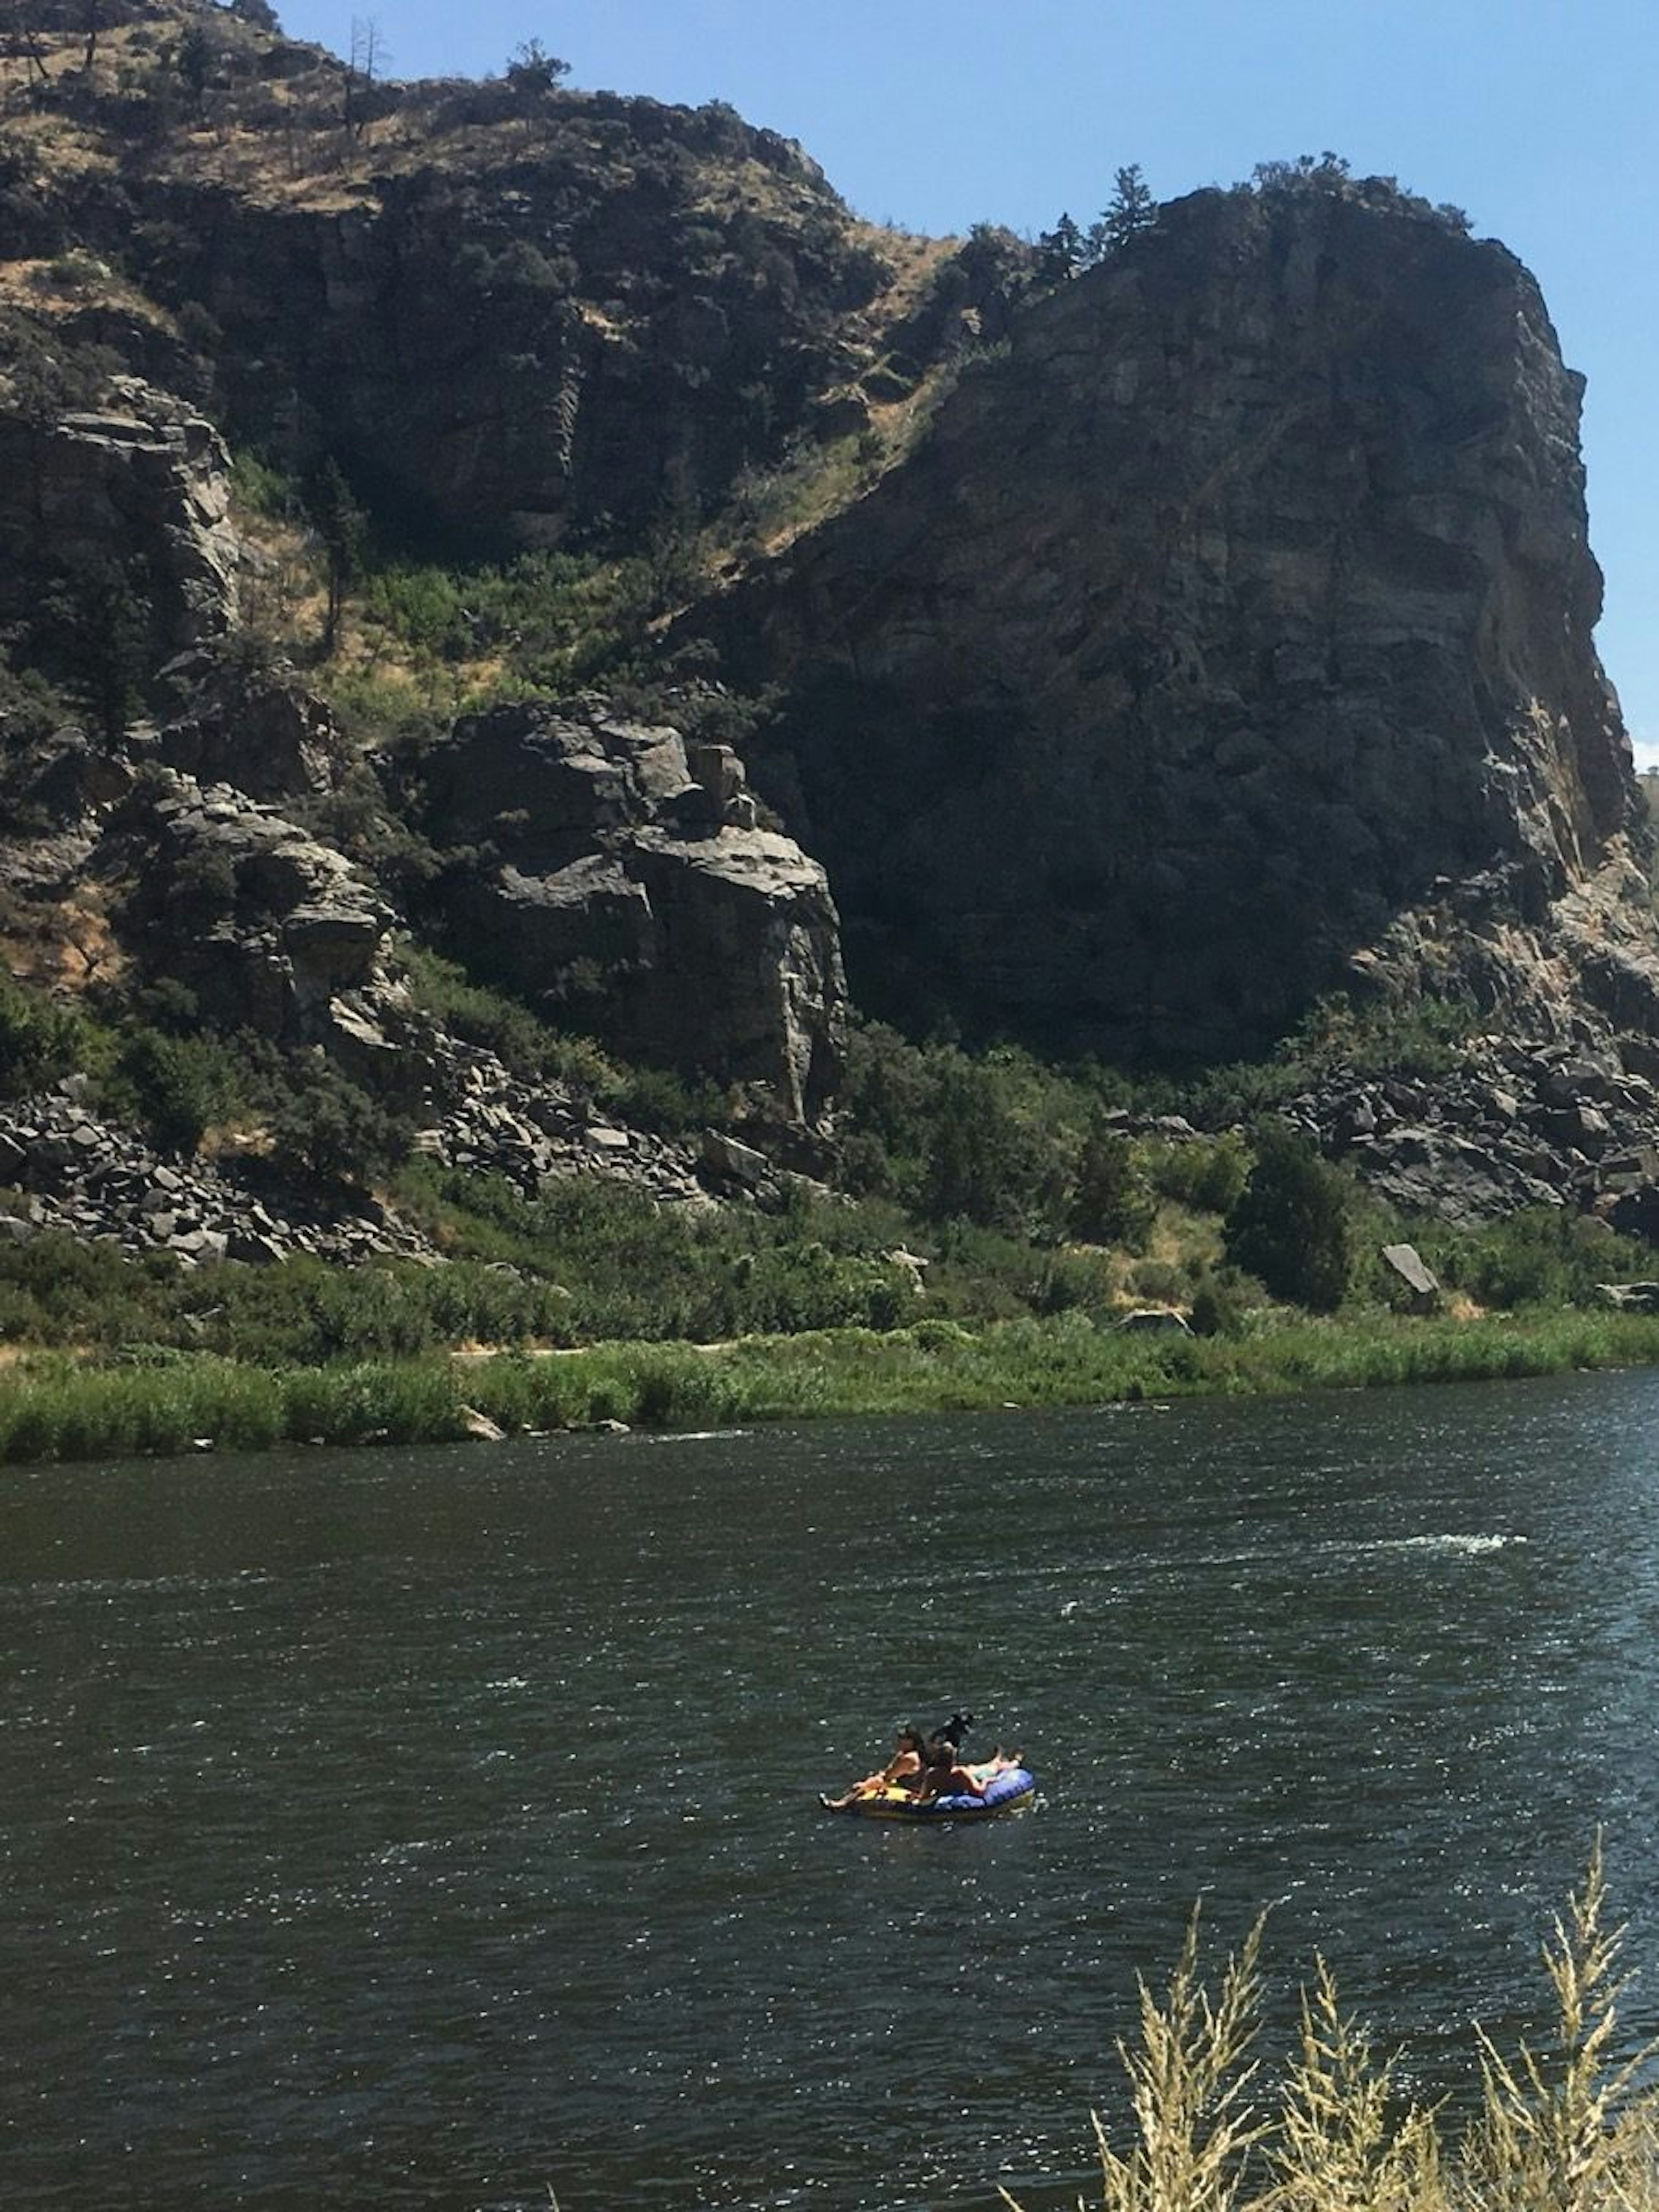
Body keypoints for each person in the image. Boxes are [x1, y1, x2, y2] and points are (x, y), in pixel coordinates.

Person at [819, 1724, 929, 1812]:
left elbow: (889, 1776)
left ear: (912, 1741)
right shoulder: (910, 1754)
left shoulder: (909, 1758)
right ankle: (846, 1801)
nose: (899, 1741)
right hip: (907, 1785)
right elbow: (888, 1771)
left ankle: (841, 1805)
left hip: (912, 1790)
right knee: (872, 1782)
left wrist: (867, 1785)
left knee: (862, 1786)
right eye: (899, 1738)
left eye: (903, 1739)